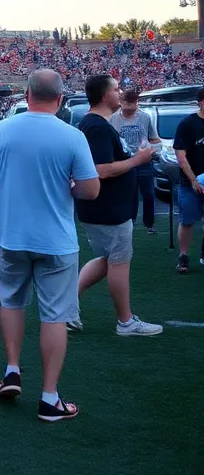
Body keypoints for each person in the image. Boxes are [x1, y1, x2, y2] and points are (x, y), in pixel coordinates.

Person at [0, 69, 99, 423]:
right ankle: (49, 398)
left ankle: (13, 369)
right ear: (60, 99)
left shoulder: (1, 129)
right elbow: (91, 190)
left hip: (12, 235)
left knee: (12, 301)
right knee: (55, 315)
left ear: (27, 94)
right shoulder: (73, 135)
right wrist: (69, 186)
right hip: (56, 241)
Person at [71, 74, 162, 336]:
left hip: (106, 208)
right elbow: (100, 170)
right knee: (119, 261)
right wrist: (139, 159)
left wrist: (134, 157)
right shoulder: (97, 126)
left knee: (107, 259)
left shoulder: (98, 123)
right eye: (116, 89)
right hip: (108, 209)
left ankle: (66, 305)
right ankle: (126, 322)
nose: (120, 93)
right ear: (103, 96)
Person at [110, 88, 161, 235]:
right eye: (129, 102)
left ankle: (149, 224)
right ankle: (129, 223)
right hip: (124, 163)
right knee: (129, 195)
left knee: (149, 194)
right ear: (122, 102)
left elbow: (155, 139)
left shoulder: (144, 117)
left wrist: (152, 149)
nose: (132, 106)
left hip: (144, 162)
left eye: (135, 102)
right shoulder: (113, 119)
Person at [172, 87, 204, 273]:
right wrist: (193, 180)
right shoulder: (188, 124)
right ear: (201, 102)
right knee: (188, 219)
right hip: (190, 181)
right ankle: (183, 256)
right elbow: (181, 156)